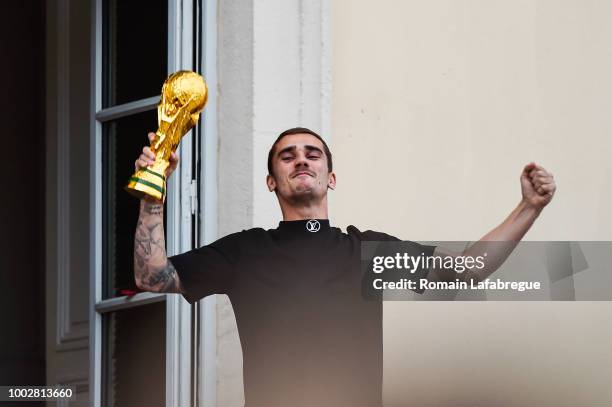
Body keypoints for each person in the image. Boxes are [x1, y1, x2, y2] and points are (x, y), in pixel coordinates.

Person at [133, 127, 556, 407]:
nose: (301, 160)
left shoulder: (366, 251)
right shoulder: (246, 252)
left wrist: (529, 207)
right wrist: (153, 193)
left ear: (330, 177)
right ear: (272, 182)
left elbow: (467, 270)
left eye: (312, 154)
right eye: (287, 156)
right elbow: (151, 276)